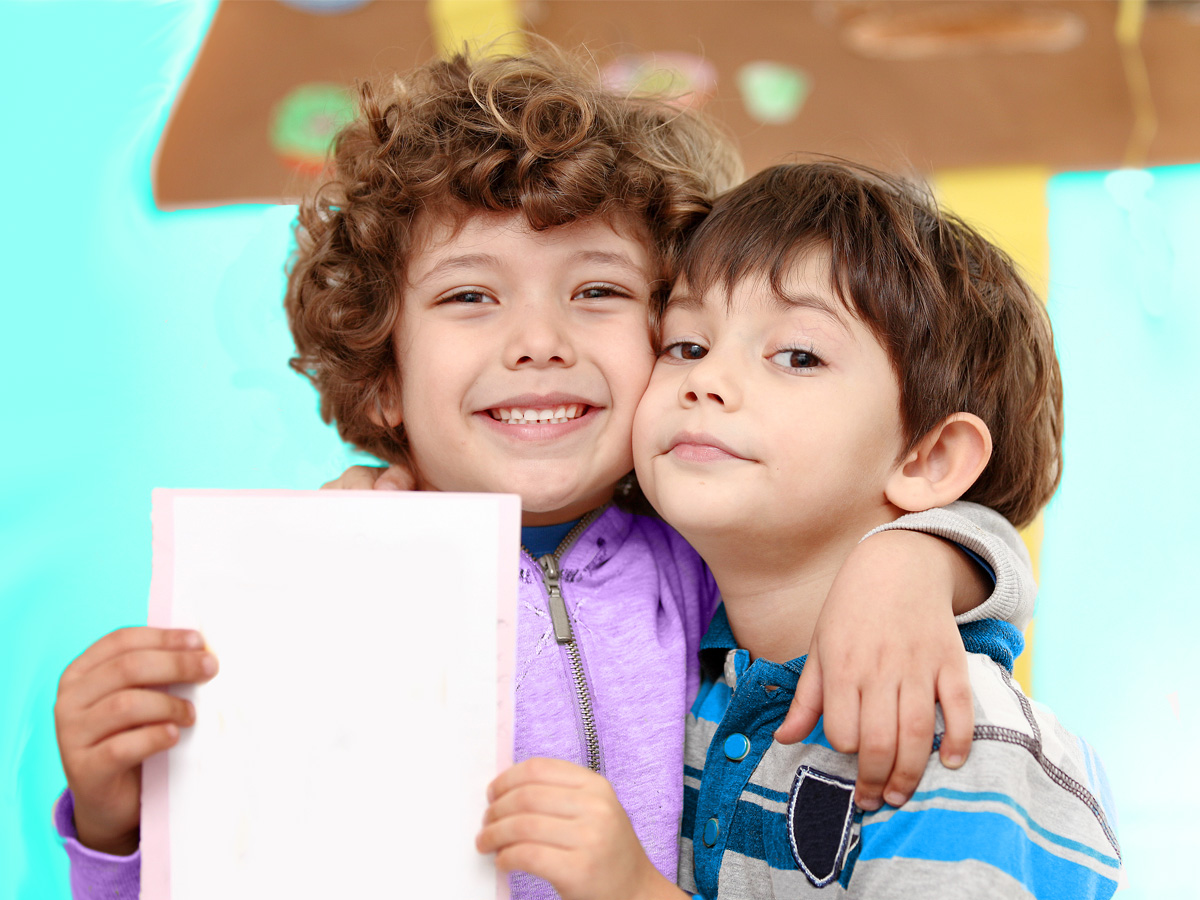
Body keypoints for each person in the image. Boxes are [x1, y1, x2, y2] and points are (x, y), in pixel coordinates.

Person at [53, 48, 1035, 899]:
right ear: (385, 374)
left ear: (670, 338)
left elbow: (861, 526)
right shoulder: (313, 583)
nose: (537, 342)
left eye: (599, 291)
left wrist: (912, 560)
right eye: (471, 294)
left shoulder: (700, 551)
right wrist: (115, 826)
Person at [476, 162, 1121, 899]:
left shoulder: (957, 739)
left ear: (930, 457)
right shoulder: (702, 674)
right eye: (686, 345)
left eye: (798, 355)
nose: (705, 379)